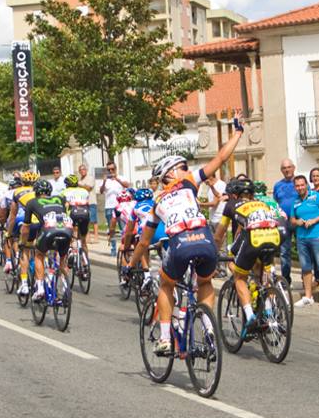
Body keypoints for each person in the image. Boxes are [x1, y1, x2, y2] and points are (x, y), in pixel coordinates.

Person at [129, 119, 244, 355]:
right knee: (204, 282)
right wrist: (238, 132)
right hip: (205, 239)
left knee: (166, 284)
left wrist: (131, 265)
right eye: (182, 167)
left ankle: (164, 339)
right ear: (171, 174)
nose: (186, 169)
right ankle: (210, 331)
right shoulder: (189, 182)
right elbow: (221, 158)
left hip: (180, 243)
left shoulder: (157, 201)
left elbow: (142, 241)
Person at [213, 177, 282, 338]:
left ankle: (250, 316)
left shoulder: (230, 205)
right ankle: (268, 311)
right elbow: (243, 230)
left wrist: (214, 252)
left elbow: (219, 234)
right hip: (274, 238)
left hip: (254, 239)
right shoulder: (261, 203)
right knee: (260, 274)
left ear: (234, 195)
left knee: (239, 278)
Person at [21, 179, 74, 300]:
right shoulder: (60, 199)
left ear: (36, 192)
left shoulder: (31, 202)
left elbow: (25, 228)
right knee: (62, 258)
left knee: (39, 255)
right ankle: (64, 286)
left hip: (49, 228)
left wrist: (23, 243)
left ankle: (40, 288)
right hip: (66, 227)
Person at [289, 173, 319, 307]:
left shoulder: (316, 196)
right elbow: (291, 219)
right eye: (297, 186)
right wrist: (297, 222)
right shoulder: (295, 201)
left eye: (302, 185)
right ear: (295, 187)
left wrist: (315, 220)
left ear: (306, 185)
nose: (300, 188)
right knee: (306, 267)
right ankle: (308, 296)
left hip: (317, 236)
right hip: (302, 238)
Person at [273, 159, 298, 284]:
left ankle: (308, 280)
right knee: (284, 252)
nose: (287, 170)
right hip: (284, 222)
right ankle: (286, 280)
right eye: (284, 168)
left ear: (294, 168)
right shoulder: (278, 185)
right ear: (281, 170)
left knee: (304, 251)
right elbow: (275, 203)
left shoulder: (300, 182)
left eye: (289, 167)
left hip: (298, 221)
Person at [98, 161, 127, 256]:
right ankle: (113, 249)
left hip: (121, 207)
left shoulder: (121, 177)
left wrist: (117, 179)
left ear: (116, 169)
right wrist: (104, 181)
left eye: (112, 169)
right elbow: (101, 191)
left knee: (124, 228)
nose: (110, 171)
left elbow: (127, 185)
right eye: (108, 169)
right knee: (112, 229)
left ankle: (125, 247)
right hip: (109, 207)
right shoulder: (106, 180)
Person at [77, 164, 98, 241]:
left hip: (91, 201)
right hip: (83, 202)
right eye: (81, 170)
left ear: (86, 170)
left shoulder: (90, 178)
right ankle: (88, 237)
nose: (82, 171)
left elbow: (88, 188)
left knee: (94, 220)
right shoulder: (80, 180)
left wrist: (80, 185)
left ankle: (96, 237)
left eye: (84, 169)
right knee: (86, 221)